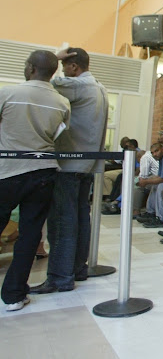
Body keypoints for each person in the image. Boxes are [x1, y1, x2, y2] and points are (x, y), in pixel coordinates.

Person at [31, 47, 108, 294]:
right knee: (79, 218)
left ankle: (60, 277)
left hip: (70, 163)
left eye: (66, 66)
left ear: (74, 67)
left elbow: (42, 80)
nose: (64, 70)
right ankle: (77, 269)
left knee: (62, 221)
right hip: (87, 163)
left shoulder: (78, 85)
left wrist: (57, 56)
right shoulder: (100, 86)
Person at [0, 51, 70, 311]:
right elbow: (59, 134)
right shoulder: (62, 102)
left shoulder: (7, 94)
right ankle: (15, 295)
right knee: (29, 235)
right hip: (43, 172)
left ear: (29, 68)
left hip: (7, 170)